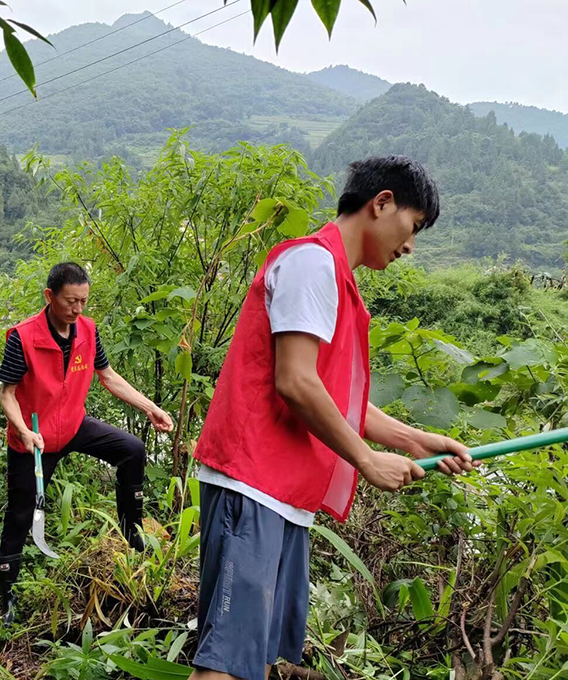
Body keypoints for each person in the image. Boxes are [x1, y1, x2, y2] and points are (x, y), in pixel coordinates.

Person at [189, 156, 477, 680]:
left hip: (281, 494)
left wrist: (414, 440)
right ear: (381, 203)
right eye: (413, 226)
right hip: (252, 484)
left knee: (254, 662)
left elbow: (333, 396)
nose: (410, 245)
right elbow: (296, 382)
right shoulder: (312, 264)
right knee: (224, 667)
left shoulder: (337, 279)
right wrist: (367, 460)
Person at [0, 262, 174, 624]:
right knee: (20, 513)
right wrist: (24, 431)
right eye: (70, 301)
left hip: (73, 424)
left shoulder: (88, 331)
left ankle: (131, 534)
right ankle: (7, 590)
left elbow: (108, 376)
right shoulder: (23, 337)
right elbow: (7, 394)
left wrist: (150, 408)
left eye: (83, 301)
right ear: (50, 296)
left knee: (132, 450)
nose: (77, 309)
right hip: (34, 439)